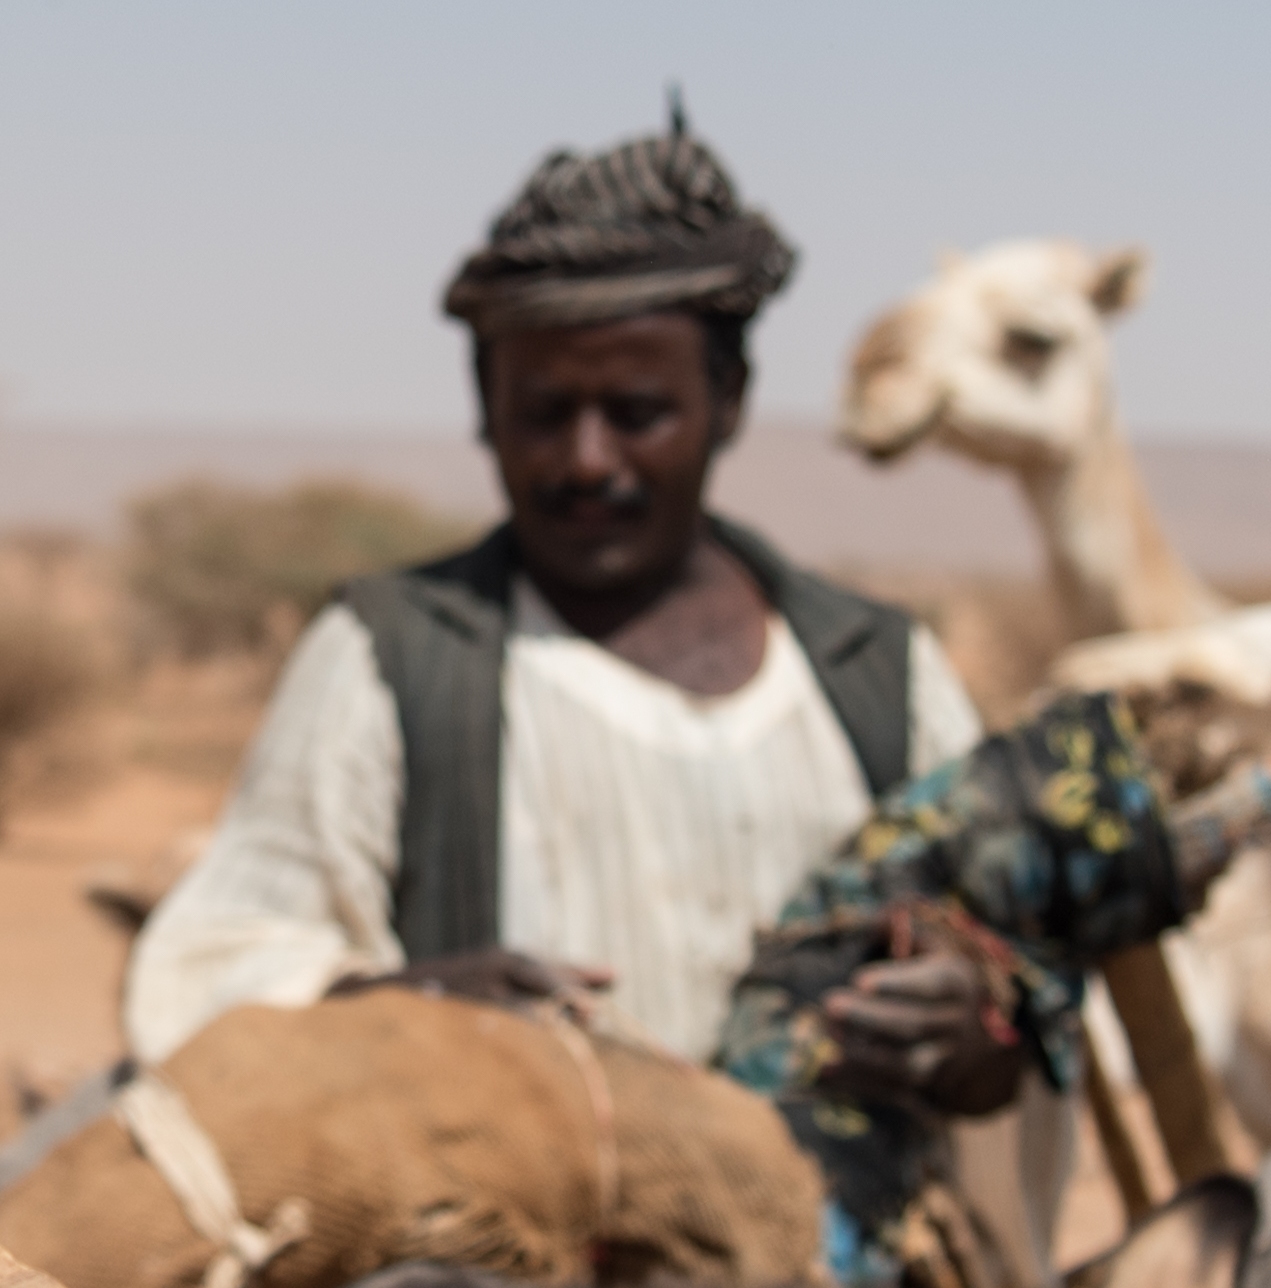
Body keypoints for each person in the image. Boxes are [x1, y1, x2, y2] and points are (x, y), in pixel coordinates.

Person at [123, 116, 1002, 1081]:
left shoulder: (876, 673)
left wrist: (974, 1019)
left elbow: (1028, 990)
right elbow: (220, 966)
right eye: (544, 414)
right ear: (483, 405)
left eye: (637, 414)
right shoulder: (390, 658)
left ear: (731, 400)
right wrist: (401, 1008)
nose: (588, 460)